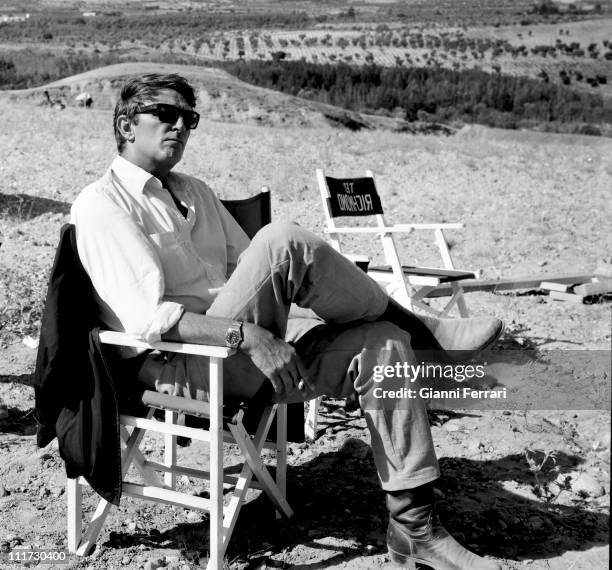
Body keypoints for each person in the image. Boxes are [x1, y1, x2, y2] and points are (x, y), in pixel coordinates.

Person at [71, 73, 503, 570]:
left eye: (189, 119)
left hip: (241, 349)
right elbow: (151, 320)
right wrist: (247, 334)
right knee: (282, 241)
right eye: (166, 115)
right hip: (183, 365)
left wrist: (285, 328)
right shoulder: (102, 204)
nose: (180, 128)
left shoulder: (196, 192)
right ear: (126, 124)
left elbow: (244, 272)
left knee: (383, 344)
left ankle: (415, 531)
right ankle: (429, 334)